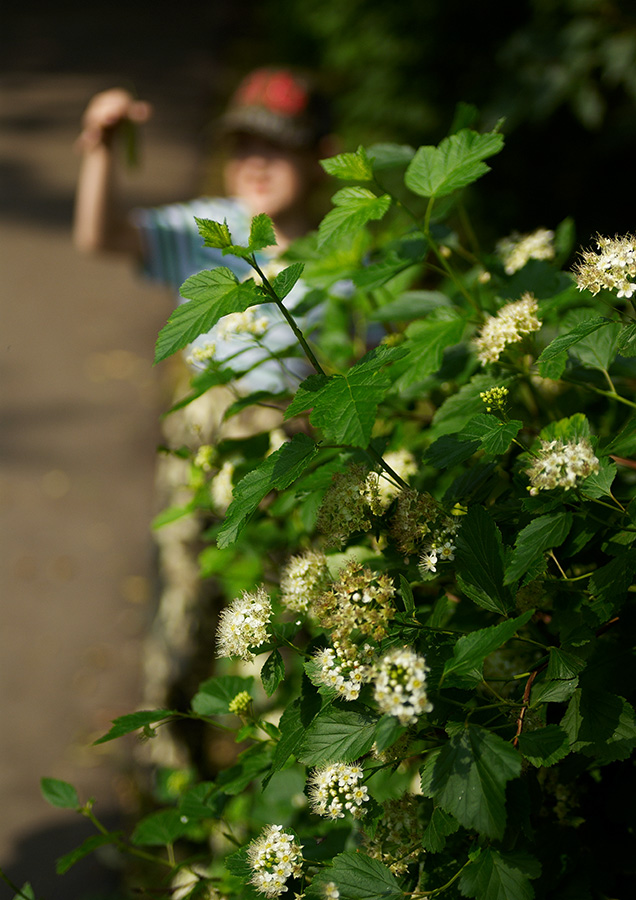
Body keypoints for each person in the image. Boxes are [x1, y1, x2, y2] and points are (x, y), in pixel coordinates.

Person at [73, 69, 335, 768]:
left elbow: (361, 378)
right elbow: (101, 237)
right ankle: (172, 770)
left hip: (286, 473)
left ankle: (274, 776)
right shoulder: (212, 232)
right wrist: (100, 150)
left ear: (317, 156)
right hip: (197, 463)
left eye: (277, 147)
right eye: (242, 143)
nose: (256, 160)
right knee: (184, 608)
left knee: (274, 621)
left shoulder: (341, 259)